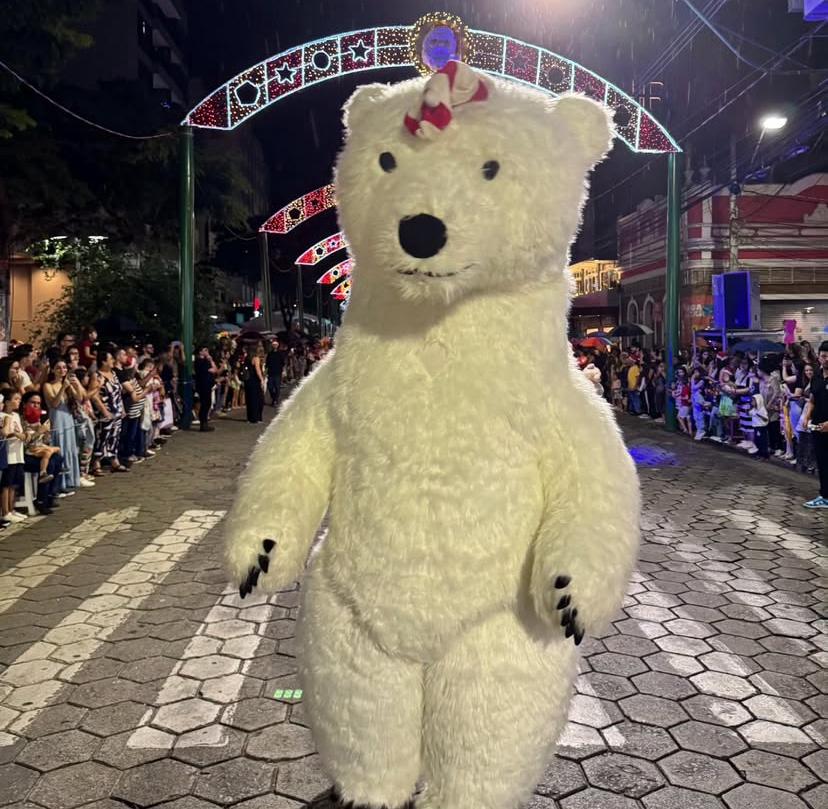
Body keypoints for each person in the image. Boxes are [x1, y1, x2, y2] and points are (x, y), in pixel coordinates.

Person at [42, 360, 83, 491]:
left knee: (70, 447)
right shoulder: (48, 385)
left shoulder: (68, 384)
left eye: (64, 367)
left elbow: (80, 398)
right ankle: (60, 483)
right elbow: (54, 403)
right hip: (57, 418)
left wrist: (77, 386)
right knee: (60, 446)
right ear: (53, 370)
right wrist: (62, 388)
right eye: (58, 368)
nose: (62, 370)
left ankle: (71, 479)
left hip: (68, 419)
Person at [89, 350, 128, 473]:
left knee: (115, 436)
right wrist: (104, 410)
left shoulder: (114, 374)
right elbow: (94, 396)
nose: (113, 361)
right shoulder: (97, 376)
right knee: (102, 436)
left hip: (116, 410)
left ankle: (113, 460)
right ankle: (96, 462)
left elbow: (118, 393)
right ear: (104, 361)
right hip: (105, 410)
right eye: (110, 359)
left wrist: (122, 408)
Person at [802, 340, 828, 509]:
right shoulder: (817, 376)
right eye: (823, 356)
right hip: (818, 426)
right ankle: (824, 496)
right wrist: (806, 416)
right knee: (822, 461)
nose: (825, 360)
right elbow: (812, 399)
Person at [1, 391, 27, 522]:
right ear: (7, 402)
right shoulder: (2, 416)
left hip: (18, 454)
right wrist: (16, 435)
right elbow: (5, 434)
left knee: (14, 484)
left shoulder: (16, 415)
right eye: (16, 399)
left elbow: (20, 431)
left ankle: (12, 509)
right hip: (8, 454)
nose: (19, 401)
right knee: (6, 484)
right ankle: (5, 512)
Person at [194, 346, 217, 432]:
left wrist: (210, 360)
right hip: (203, 385)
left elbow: (215, 369)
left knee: (208, 403)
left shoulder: (207, 360)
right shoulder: (199, 361)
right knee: (204, 404)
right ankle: (203, 424)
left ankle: (205, 422)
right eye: (205, 350)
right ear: (200, 352)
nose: (207, 352)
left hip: (208, 385)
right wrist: (209, 362)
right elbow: (211, 370)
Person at [243, 343, 265, 424]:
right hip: (255, 380)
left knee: (249, 399)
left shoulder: (246, 358)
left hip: (248, 380)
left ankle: (249, 418)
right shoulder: (256, 358)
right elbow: (258, 370)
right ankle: (256, 418)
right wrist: (261, 379)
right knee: (257, 399)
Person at [265, 339, 287, 407]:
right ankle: (273, 398)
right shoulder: (270, 353)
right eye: (273, 345)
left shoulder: (280, 354)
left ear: (277, 345)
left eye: (276, 345)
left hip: (278, 372)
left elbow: (283, 363)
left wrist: (283, 371)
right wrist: (265, 371)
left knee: (277, 387)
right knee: (270, 387)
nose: (274, 346)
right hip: (270, 372)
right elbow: (267, 363)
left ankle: (275, 400)